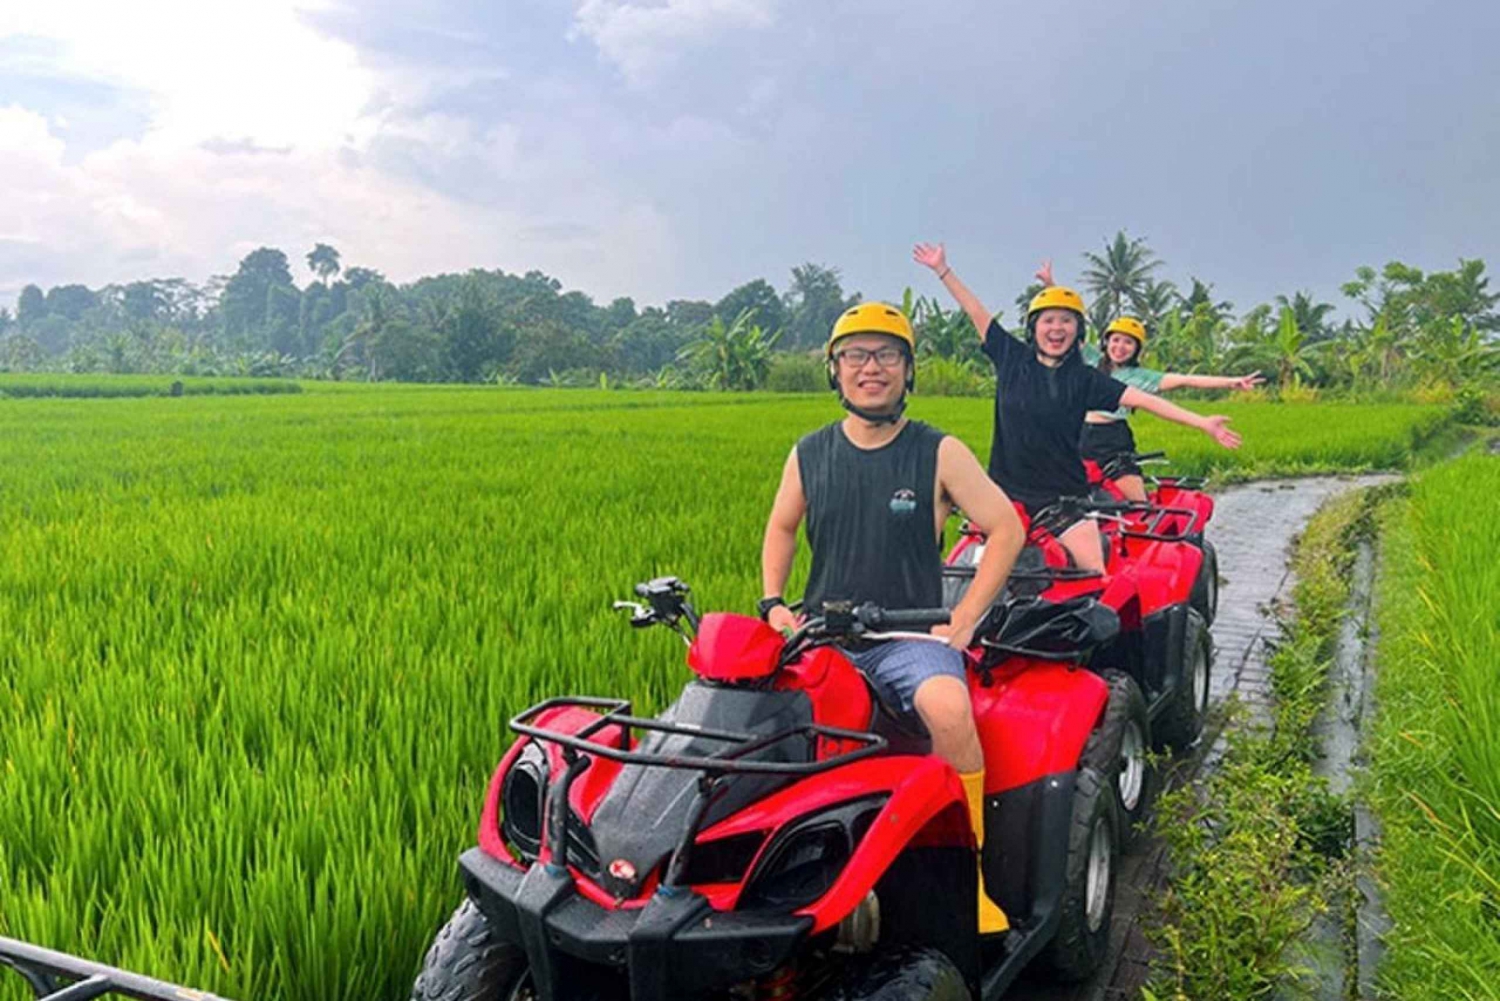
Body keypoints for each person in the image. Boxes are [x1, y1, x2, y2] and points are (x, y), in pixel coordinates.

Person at [760, 301, 1024, 934]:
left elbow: (1007, 528)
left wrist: (962, 618)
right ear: (836, 370)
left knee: (948, 710)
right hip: (824, 635)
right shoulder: (809, 453)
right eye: (856, 355)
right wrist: (773, 604)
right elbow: (781, 527)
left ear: (909, 371)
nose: (870, 367)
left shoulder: (938, 451)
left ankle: (971, 873)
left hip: (907, 635)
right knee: (757, 722)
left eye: (886, 355)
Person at [913, 242, 1242, 572]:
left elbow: (1144, 400)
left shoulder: (1086, 379)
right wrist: (943, 270)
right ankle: (914, 575)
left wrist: (1203, 423)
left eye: (1066, 321)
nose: (1057, 328)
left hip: (1063, 501)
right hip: (1004, 495)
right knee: (954, 528)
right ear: (1034, 327)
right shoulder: (1011, 357)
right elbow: (975, 311)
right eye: (1048, 321)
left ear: (1078, 330)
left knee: (1095, 577)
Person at [1026, 262, 1265, 502]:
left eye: (1128, 343)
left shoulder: (1141, 378)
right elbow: (1065, 320)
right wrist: (1049, 284)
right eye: (1116, 340)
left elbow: (1186, 379)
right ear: (1106, 342)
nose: (1120, 347)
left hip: (1112, 442)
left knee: (1137, 503)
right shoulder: (1090, 359)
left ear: (1136, 349)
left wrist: (1232, 382)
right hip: (1076, 436)